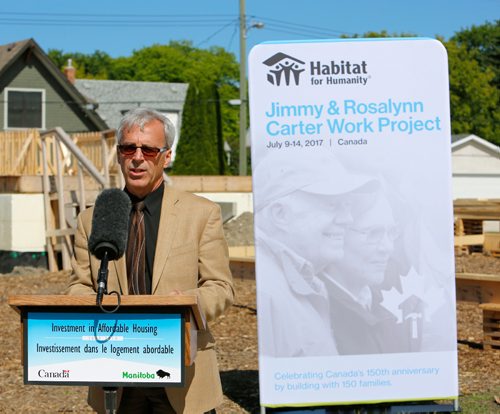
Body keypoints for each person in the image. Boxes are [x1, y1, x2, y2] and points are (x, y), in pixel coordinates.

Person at [67, 108, 234, 414]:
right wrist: (93, 308)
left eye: (149, 149)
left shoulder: (201, 214)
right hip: (116, 377)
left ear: (165, 156)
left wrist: (188, 305)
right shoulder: (91, 219)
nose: (137, 157)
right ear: (119, 155)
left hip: (184, 378)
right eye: (129, 148)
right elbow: (79, 286)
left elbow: (221, 287)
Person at [253, 150, 377, 357]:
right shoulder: (270, 291)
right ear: (280, 214)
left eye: (347, 206)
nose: (347, 219)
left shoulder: (295, 279)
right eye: (332, 205)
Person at [320, 191, 421, 355]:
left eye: (391, 232)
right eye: (373, 233)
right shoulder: (316, 312)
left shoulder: (391, 306)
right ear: (336, 234)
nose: (388, 247)